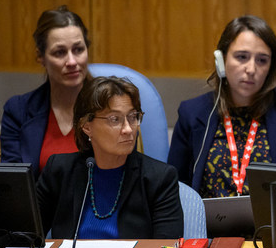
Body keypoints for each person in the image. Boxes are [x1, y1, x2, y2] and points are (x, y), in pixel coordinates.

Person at [167, 16, 276, 196]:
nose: (251, 69)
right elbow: (175, 189)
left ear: (270, 67)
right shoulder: (192, 113)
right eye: (241, 57)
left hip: (275, 222)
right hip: (211, 223)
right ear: (221, 61)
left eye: (262, 60)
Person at [36, 76, 183, 239]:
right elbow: (24, 237)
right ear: (86, 126)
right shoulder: (59, 171)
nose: (128, 129)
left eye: (133, 117)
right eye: (115, 119)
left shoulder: (159, 179)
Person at [0, 6, 92, 177]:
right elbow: (13, 183)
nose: (71, 61)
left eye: (78, 49)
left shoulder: (111, 106)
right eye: (60, 52)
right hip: (37, 203)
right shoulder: (18, 111)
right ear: (40, 57)